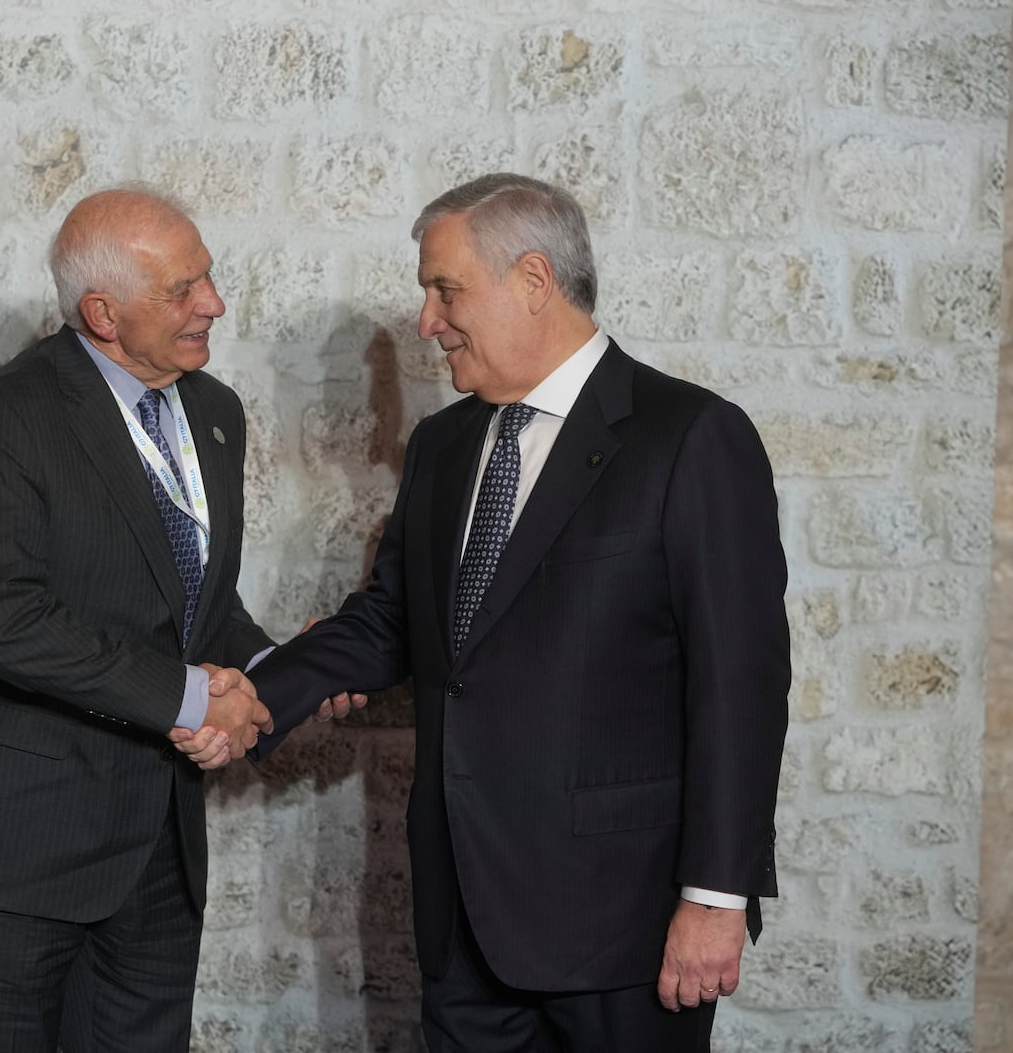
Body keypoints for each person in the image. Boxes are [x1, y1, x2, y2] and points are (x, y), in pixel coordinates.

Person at [239, 174, 791, 1050]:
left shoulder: (690, 438)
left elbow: (741, 690)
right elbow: (391, 622)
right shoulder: (444, 446)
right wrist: (256, 694)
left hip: (624, 930)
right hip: (463, 926)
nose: (427, 321)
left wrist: (716, 897)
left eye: (444, 289)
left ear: (533, 280)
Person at [0, 186, 348, 1050]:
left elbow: (194, 606)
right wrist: (194, 701)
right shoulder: (7, 414)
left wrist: (280, 669)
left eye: (208, 277)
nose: (214, 303)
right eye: (182, 290)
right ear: (102, 312)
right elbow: (4, 620)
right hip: (12, 852)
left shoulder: (215, 412)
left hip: (156, 856)